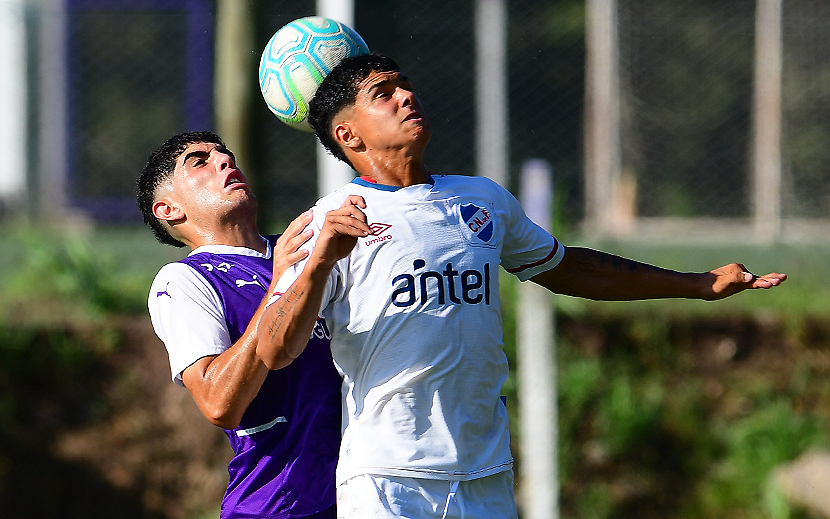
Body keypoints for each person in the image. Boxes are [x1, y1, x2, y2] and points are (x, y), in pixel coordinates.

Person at [255, 54, 786, 519]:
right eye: (383, 93)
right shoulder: (328, 220)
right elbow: (275, 349)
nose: (407, 95)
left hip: (484, 472)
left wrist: (696, 284)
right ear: (348, 135)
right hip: (389, 479)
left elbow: (570, 268)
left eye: (404, 84)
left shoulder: (481, 200)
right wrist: (321, 262)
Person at [136, 131, 359, 519]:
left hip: (362, 493)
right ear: (168, 209)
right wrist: (281, 286)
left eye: (226, 155)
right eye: (199, 162)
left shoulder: (305, 249)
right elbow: (219, 403)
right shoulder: (185, 281)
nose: (225, 161)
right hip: (278, 504)